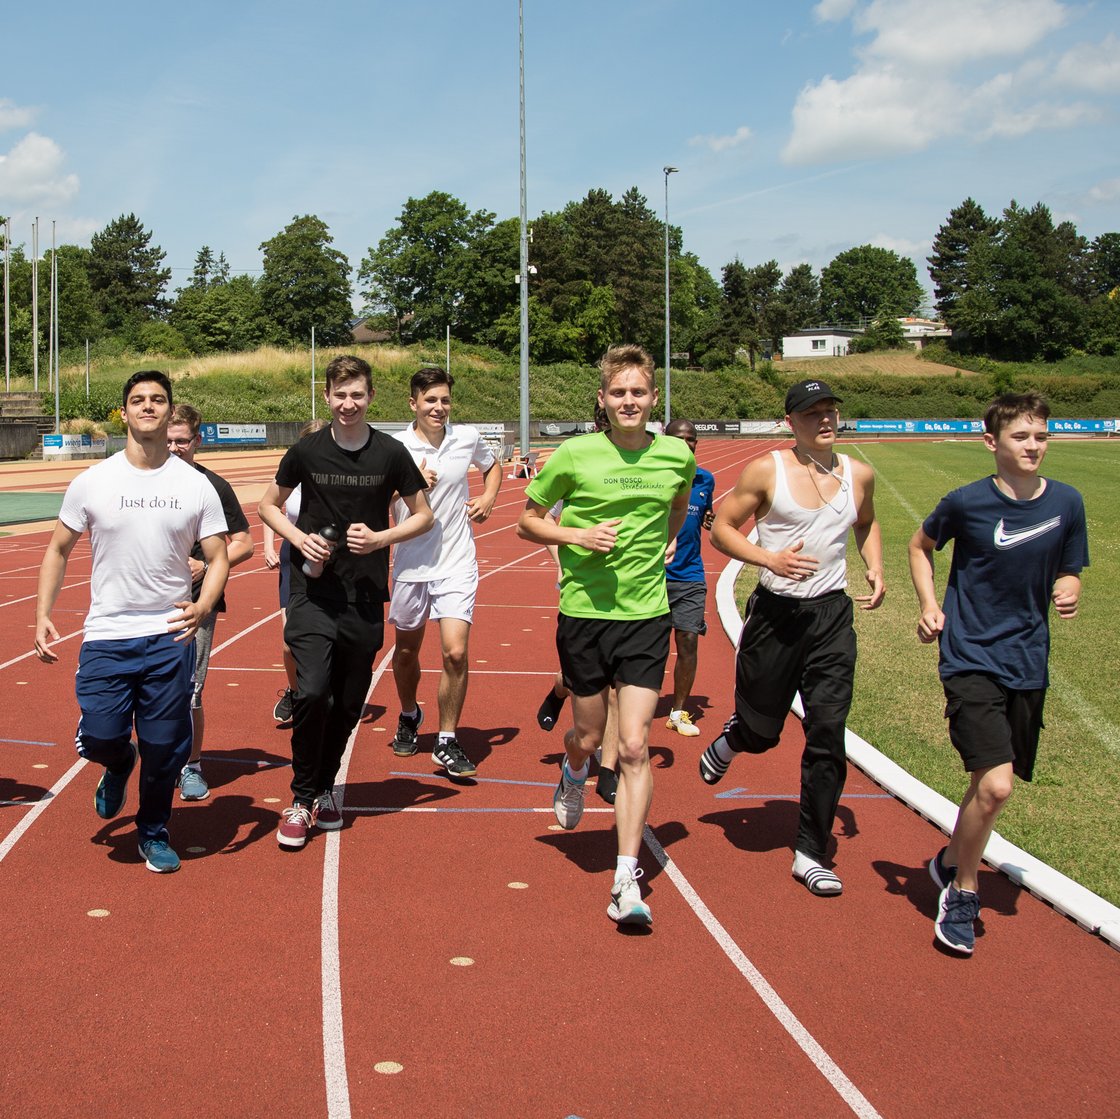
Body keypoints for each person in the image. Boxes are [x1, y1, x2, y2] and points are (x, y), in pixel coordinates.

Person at [518, 343, 694, 926]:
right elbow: (527, 520)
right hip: (585, 616)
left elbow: (677, 505)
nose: (628, 401)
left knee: (635, 746)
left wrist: (668, 540)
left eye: (638, 392)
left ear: (653, 398)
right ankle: (572, 772)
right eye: (618, 392)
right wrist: (578, 537)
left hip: (647, 615)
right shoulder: (575, 453)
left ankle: (625, 880)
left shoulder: (674, 455)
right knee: (589, 738)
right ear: (602, 399)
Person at [909, 391, 1088, 955]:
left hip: (1028, 661)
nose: (1033, 445)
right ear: (992, 442)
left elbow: (1072, 566)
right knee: (996, 784)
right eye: (1021, 436)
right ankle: (963, 891)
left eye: (1040, 435)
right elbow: (920, 546)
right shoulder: (966, 503)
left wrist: (1070, 587)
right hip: (970, 657)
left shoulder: (1067, 502)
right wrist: (929, 604)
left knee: (984, 790)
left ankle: (946, 860)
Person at [34, 371, 230, 873]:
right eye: (138, 400)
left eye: (158, 400)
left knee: (166, 747)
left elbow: (220, 554)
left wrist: (205, 603)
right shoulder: (93, 481)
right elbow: (58, 549)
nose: (148, 407)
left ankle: (153, 830)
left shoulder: (196, 485)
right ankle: (119, 762)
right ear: (123, 413)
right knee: (100, 736)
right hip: (107, 632)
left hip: (169, 634)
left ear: (170, 412)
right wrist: (42, 614)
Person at [700, 379, 884, 897]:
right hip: (775, 616)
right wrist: (769, 559)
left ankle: (811, 850)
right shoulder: (768, 470)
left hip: (831, 618)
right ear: (790, 422)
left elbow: (866, 523)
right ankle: (735, 737)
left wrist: (874, 566)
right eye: (812, 413)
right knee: (764, 733)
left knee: (828, 732)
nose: (824, 420)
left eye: (830, 411)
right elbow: (722, 529)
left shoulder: (858, 473)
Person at [258, 355, 433, 850]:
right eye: (340, 394)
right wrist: (298, 538)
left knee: (348, 703)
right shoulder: (307, 450)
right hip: (314, 591)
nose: (348, 403)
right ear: (328, 397)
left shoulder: (391, 453)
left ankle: (326, 786)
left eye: (357, 394)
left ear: (371, 397)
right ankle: (300, 797)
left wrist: (382, 538)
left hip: (365, 594)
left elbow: (424, 517)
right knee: (312, 692)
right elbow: (268, 505)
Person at [388, 367, 503, 778]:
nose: (439, 408)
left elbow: (493, 466)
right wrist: (411, 483)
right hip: (409, 565)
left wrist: (489, 496)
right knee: (405, 652)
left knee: (455, 652)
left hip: (457, 561)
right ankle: (408, 713)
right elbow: (375, 497)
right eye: (431, 400)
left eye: (445, 400)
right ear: (413, 403)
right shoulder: (393, 445)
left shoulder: (467, 438)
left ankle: (447, 739)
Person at [166, 403, 255, 800]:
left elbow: (245, 543)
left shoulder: (213, 487)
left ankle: (192, 765)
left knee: (191, 690)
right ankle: (145, 755)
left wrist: (205, 565)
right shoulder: (139, 483)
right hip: (144, 604)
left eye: (182, 441)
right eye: (167, 441)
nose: (174, 448)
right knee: (142, 688)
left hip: (196, 606)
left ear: (197, 440)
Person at [263, 418, 329, 725]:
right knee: (290, 640)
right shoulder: (291, 473)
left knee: (335, 637)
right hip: (294, 556)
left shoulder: (340, 475)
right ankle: (293, 691)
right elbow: (271, 507)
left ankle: (328, 694)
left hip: (331, 559)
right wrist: (268, 546)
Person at [661, 419, 716, 737]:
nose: (687, 443)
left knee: (688, 640)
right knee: (650, 648)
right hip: (651, 573)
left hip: (690, 575)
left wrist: (711, 519)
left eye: (692, 439)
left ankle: (679, 712)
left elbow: (704, 514)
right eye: (679, 438)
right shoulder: (651, 477)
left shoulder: (705, 479)